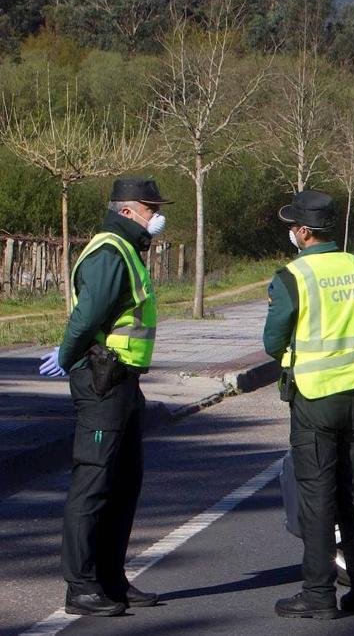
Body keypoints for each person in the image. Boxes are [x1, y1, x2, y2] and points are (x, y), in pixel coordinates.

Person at [39, 177, 172, 616]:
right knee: (94, 482)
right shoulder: (111, 251)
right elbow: (88, 315)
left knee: (123, 482)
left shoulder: (127, 249)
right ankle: (81, 586)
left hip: (123, 381)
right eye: (151, 209)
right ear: (128, 210)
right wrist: (65, 355)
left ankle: (112, 578)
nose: (157, 217)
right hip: (102, 381)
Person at [264, 190, 354, 620]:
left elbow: (271, 342)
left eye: (292, 227)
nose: (291, 234)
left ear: (303, 231)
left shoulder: (292, 277)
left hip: (315, 398)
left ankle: (319, 595)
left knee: (317, 498)